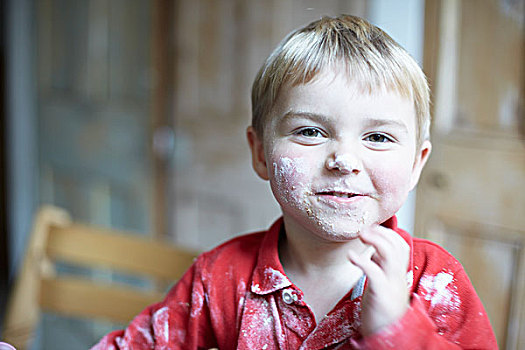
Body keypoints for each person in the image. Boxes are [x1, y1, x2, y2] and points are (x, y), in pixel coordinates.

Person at [93, 15, 497, 349]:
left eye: (378, 137)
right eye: (309, 131)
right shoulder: (218, 277)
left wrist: (395, 329)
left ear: (416, 164)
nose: (343, 161)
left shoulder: (434, 282)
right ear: (260, 154)